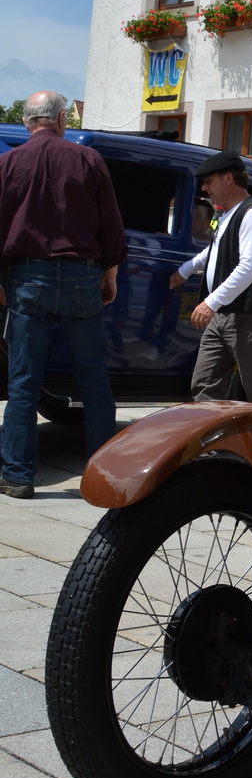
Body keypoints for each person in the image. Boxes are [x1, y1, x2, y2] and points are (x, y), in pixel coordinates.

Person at [0, 90, 125, 497]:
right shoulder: (88, 159)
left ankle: (18, 476)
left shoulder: (8, 163)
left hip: (28, 277)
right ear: (60, 119)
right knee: (93, 379)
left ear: (26, 121)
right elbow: (111, 224)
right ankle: (103, 477)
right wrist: (109, 273)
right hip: (81, 276)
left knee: (23, 383)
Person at [169, 150, 252, 402]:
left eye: (209, 181)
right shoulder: (228, 214)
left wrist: (210, 302)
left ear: (228, 178)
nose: (204, 188)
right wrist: (185, 270)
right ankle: (212, 429)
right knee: (204, 384)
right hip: (223, 315)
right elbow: (214, 251)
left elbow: (249, 267)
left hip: (250, 316)